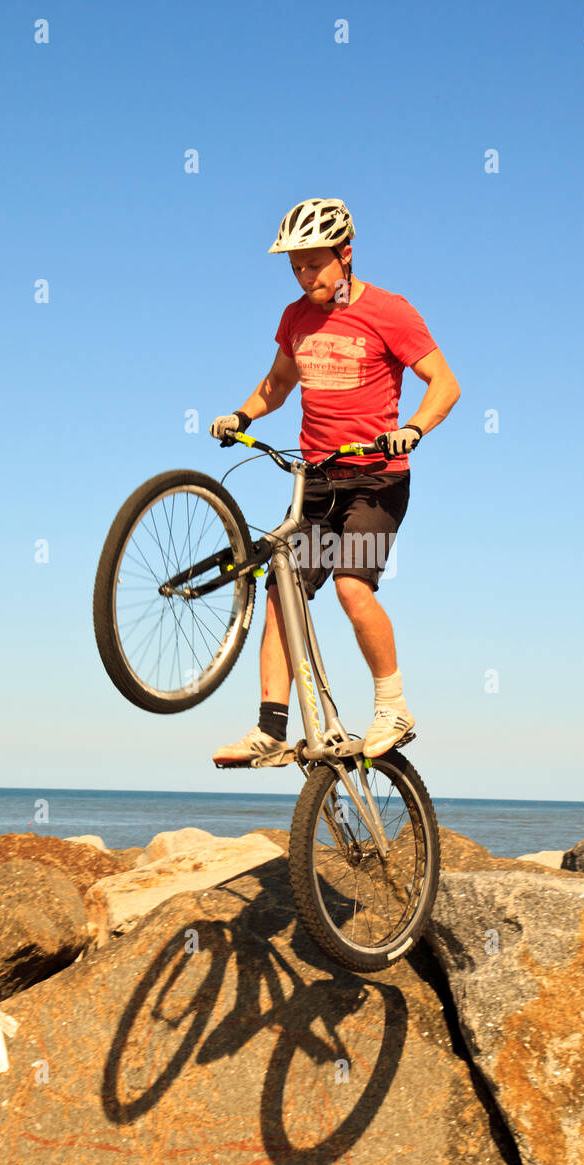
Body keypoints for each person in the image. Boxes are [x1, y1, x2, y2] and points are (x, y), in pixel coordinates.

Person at [209, 197, 460, 765]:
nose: (304, 276)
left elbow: (444, 383)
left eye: (314, 264)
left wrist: (414, 428)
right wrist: (242, 416)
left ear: (345, 255)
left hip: (376, 480)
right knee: (282, 590)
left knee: (352, 585)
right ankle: (271, 730)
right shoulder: (295, 317)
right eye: (295, 266)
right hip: (318, 482)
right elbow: (278, 383)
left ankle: (393, 704)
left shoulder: (389, 311)